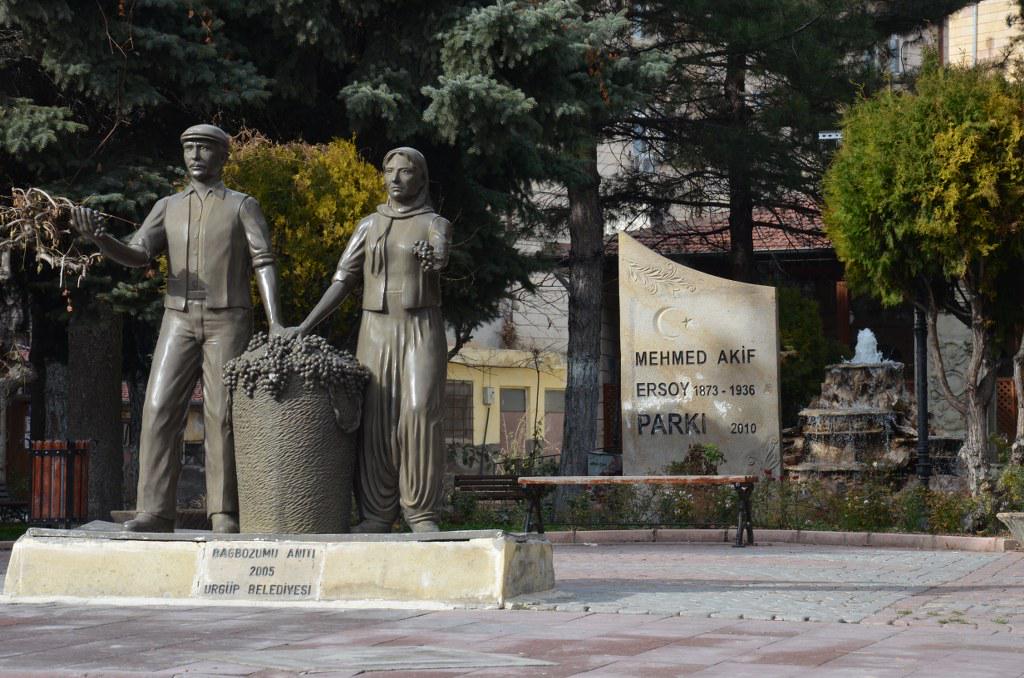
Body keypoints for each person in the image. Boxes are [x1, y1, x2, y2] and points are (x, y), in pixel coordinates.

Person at [71, 124, 284, 533]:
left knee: (221, 414)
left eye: (204, 148)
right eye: (189, 148)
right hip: (179, 317)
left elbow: (264, 262)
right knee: (156, 408)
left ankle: (224, 512)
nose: (195, 156)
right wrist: (101, 240)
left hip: (229, 317)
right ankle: (154, 510)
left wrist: (276, 323)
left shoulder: (242, 205)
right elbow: (137, 253)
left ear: (223, 155)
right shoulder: (168, 207)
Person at [291, 147, 450, 532]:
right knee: (375, 417)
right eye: (390, 171)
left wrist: (434, 258)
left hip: (420, 326)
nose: (395, 178)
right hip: (376, 329)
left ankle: (421, 511)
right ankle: (377, 513)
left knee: (419, 410)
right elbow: (342, 280)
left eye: (406, 172)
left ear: (421, 179)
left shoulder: (435, 223)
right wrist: (304, 326)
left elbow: (441, 254)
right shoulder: (369, 225)